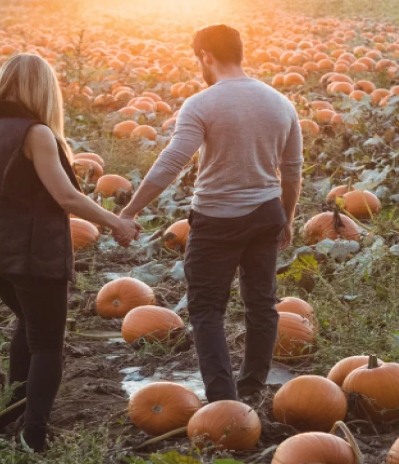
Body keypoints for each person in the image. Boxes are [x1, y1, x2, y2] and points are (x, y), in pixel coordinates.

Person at [0, 53, 139, 452]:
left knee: (28, 325)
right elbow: (65, 196)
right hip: (33, 255)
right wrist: (115, 222)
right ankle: (34, 434)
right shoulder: (35, 133)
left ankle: (12, 411)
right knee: (47, 341)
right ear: (44, 89)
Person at [119, 24, 303, 402]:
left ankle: (222, 400)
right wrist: (287, 216)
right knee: (262, 305)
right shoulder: (280, 102)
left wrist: (130, 210)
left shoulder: (202, 103)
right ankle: (251, 389)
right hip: (266, 212)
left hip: (217, 218)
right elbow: (293, 170)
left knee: (206, 309)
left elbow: (173, 161)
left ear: (206, 57)